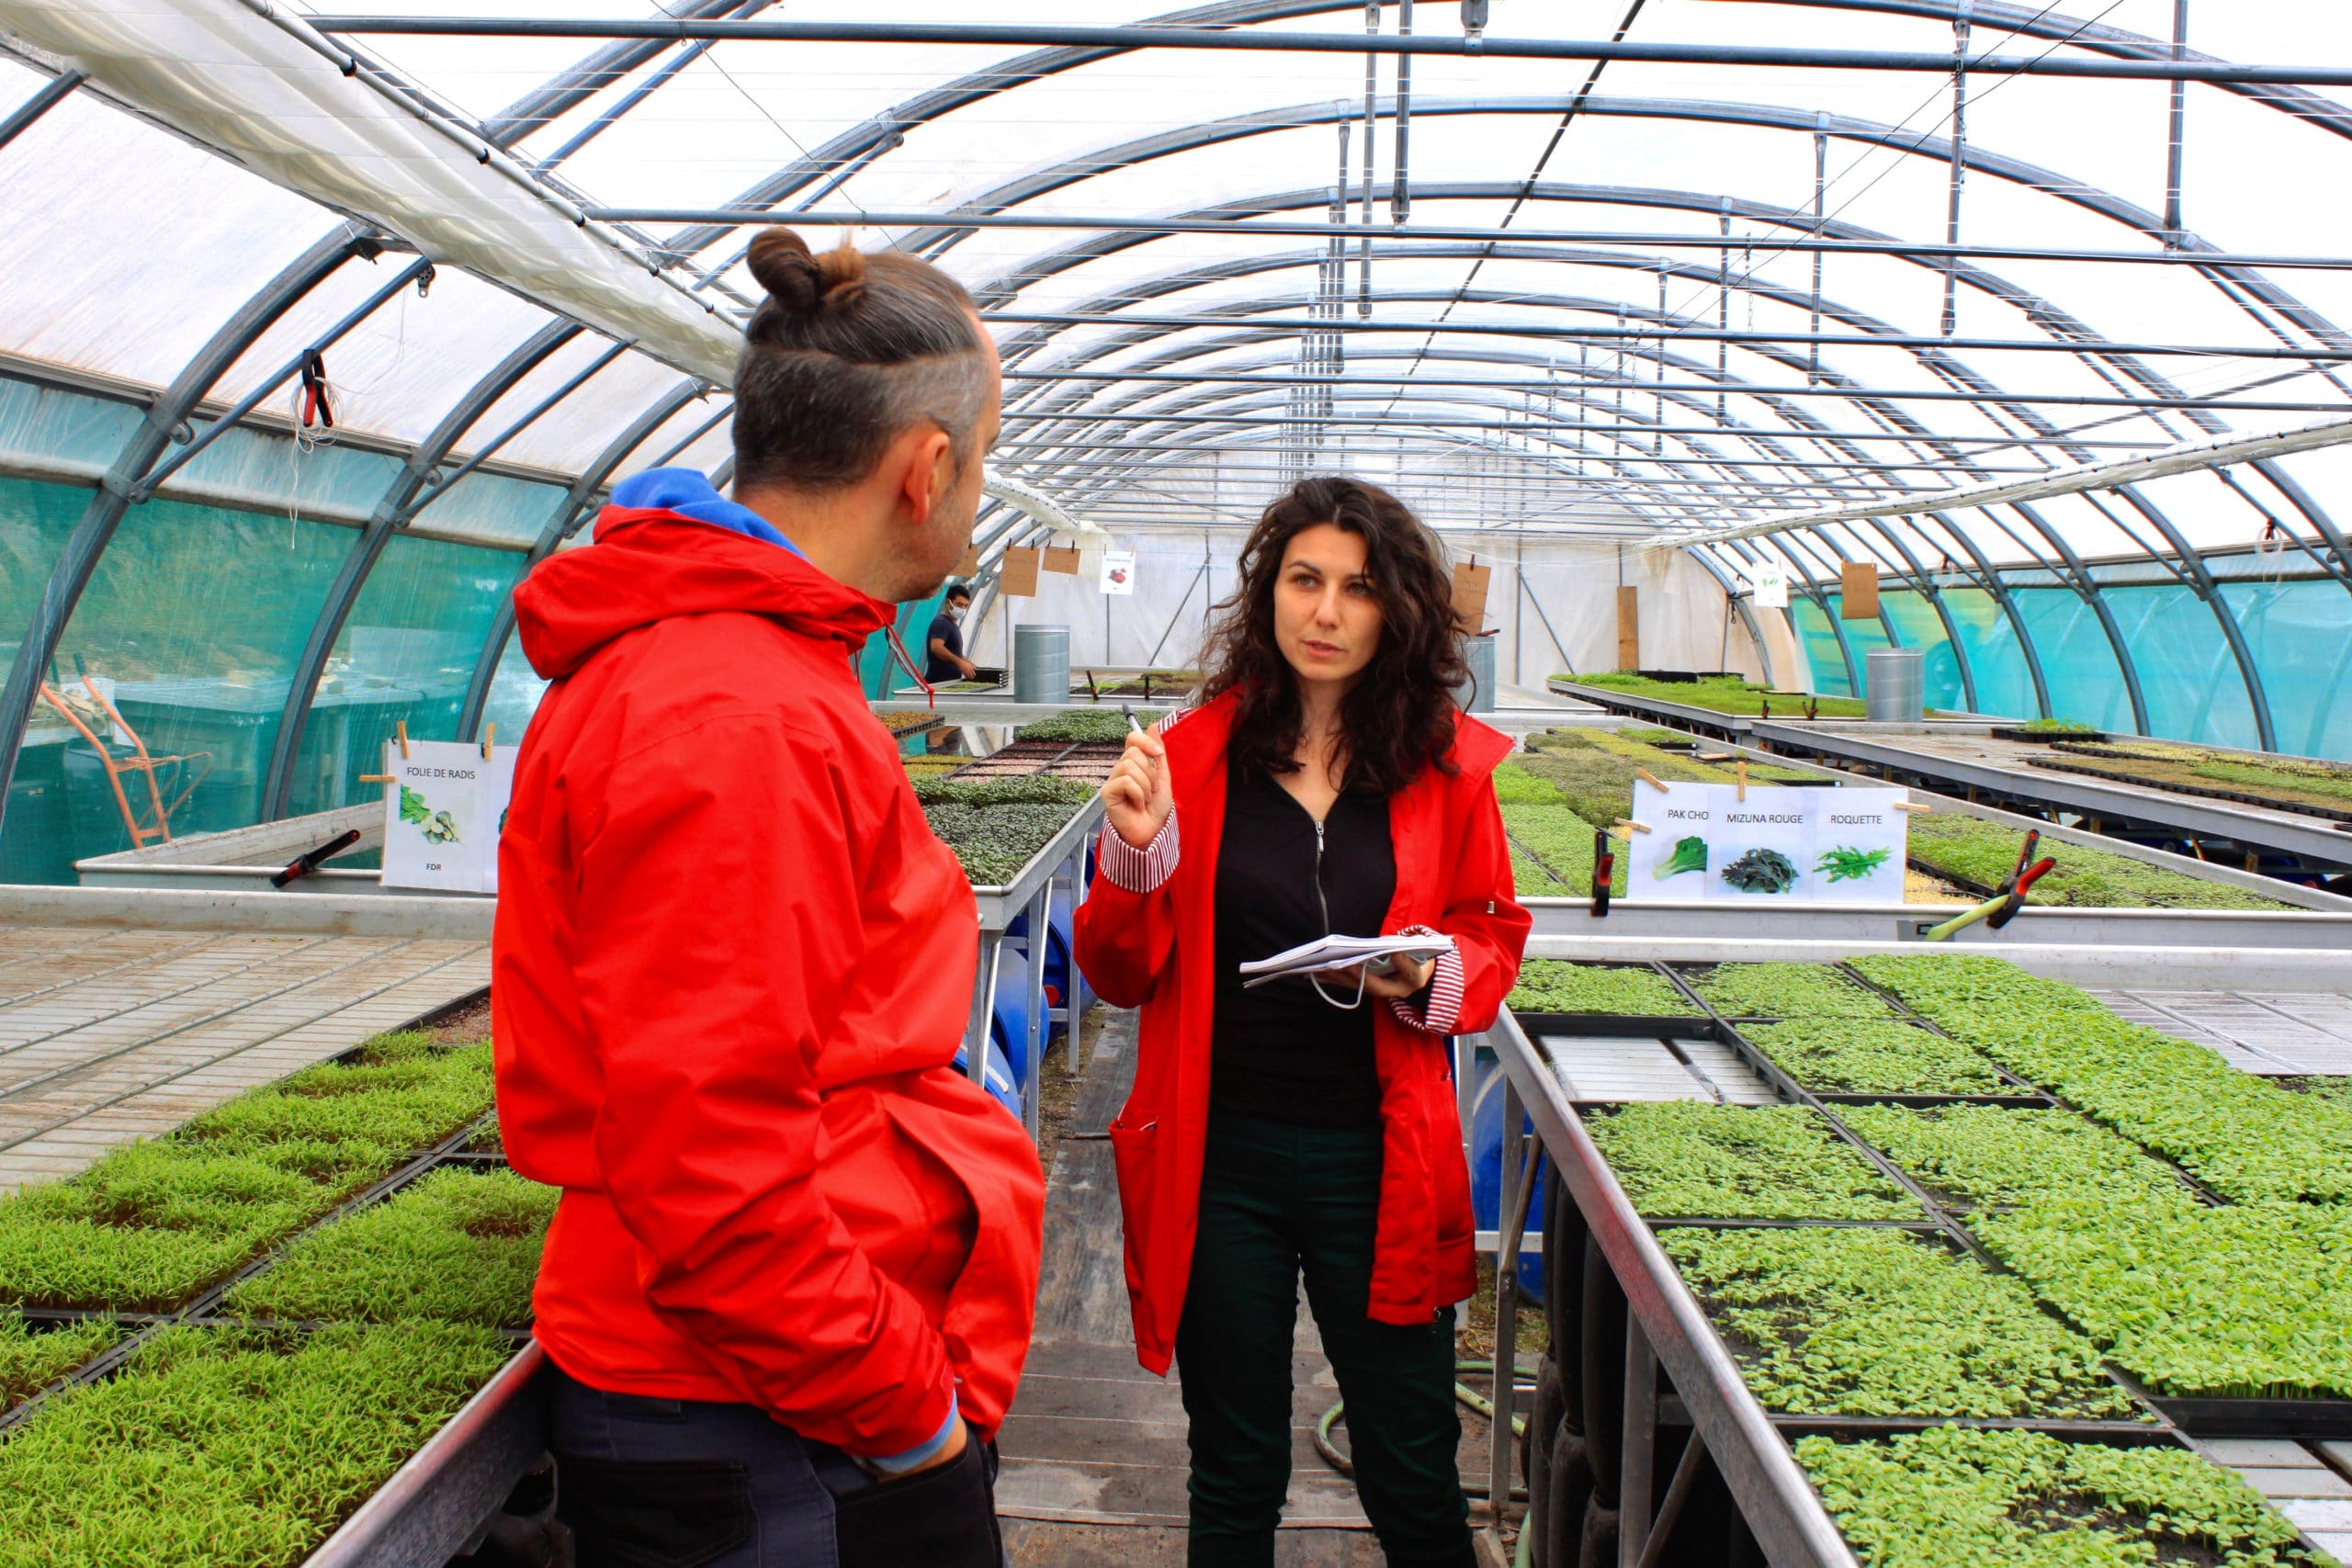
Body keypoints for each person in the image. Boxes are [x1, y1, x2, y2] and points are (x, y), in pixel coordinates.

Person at [492, 226, 1046, 1567]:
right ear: (926, 470)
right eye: (980, 466)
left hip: (766, 1391)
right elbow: (714, 1169)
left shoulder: (745, 670)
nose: (974, 504)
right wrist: (913, 1418)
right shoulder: (734, 713)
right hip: (765, 1416)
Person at [1072, 476, 1532, 1568]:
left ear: (1399, 611)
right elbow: (1117, 972)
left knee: (1411, 1463)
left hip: (1378, 1159)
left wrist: (1430, 974)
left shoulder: (1444, 768)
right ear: (1266, 595)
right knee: (1232, 1466)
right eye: (1304, 581)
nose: (1325, 613)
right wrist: (1137, 854)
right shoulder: (1188, 760)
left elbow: (1492, 929)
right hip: (1220, 1156)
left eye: (1358, 589)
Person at [927, 581, 979, 683]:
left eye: (965, 606)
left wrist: (970, 665)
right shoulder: (941, 622)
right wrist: (959, 663)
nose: (962, 609)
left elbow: (956, 653)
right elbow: (936, 648)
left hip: (948, 684)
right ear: (948, 602)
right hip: (938, 684)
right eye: (959, 605)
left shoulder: (952, 624)